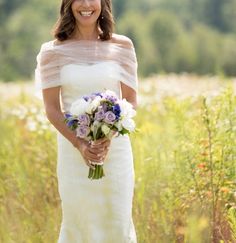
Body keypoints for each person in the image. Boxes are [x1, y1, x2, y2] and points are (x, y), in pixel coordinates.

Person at [35, 0, 138, 242]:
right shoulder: (53, 51)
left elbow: (131, 101)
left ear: (104, 3)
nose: (86, 5)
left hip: (116, 152)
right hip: (73, 152)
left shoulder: (122, 46)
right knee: (79, 221)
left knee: (117, 220)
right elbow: (52, 108)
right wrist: (81, 144)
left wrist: (107, 136)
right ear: (68, 4)